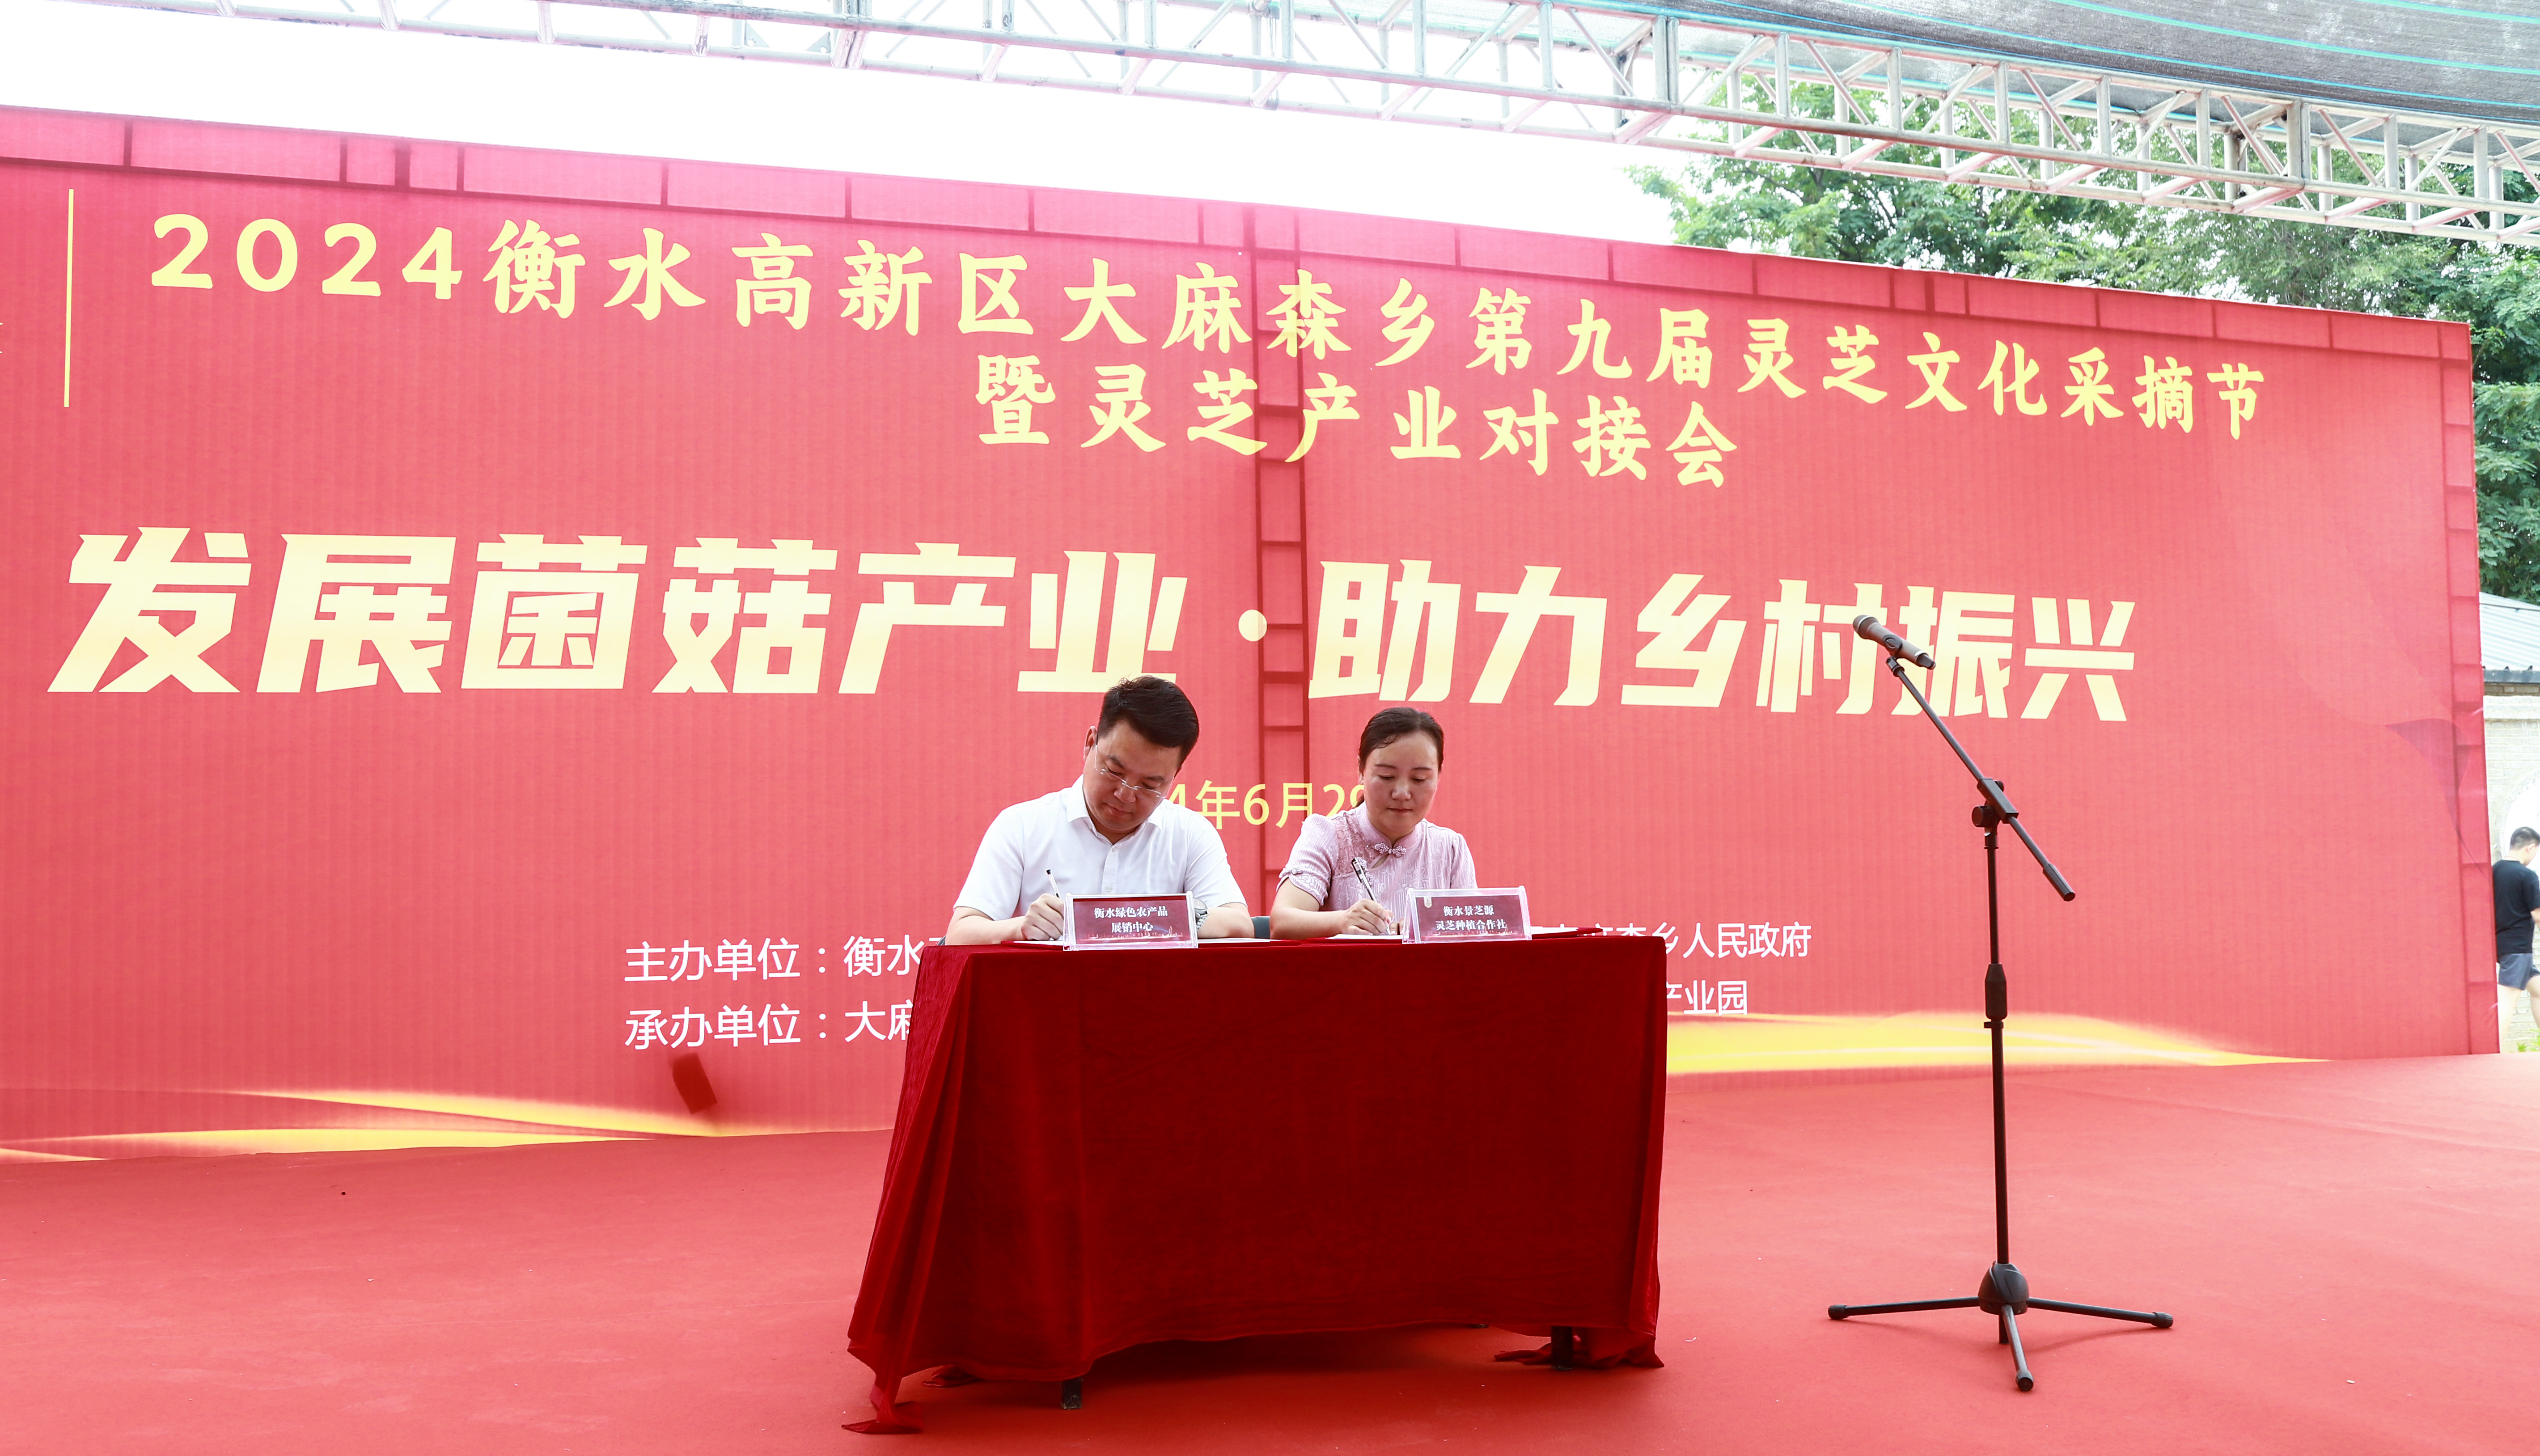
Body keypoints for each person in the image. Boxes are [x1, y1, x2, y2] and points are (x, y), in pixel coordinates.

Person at [946, 675, 1252, 943]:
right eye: (1114, 771)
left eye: (1149, 785)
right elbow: (961, 933)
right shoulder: (1022, 827)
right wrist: (1020, 928)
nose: (1125, 795)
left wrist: (1160, 915)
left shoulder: (1189, 834)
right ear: (1090, 743)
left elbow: (1238, 924)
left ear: (1174, 777)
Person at [1270, 707, 1475, 938]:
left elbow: (1473, 932)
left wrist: (1429, 927)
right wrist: (1342, 921)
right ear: (1362, 771)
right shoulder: (1330, 834)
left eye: (1419, 779)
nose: (1402, 793)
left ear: (1438, 775)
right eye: (1387, 777)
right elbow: (1283, 921)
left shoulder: (1450, 848)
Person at [2497, 826, 2540, 1042]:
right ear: (2530, 847)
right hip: (2518, 949)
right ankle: (2491, 1052)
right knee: (2507, 1000)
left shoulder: (2493, 871)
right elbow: (2538, 914)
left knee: (2539, 990)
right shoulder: (2527, 876)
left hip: (2501, 944)